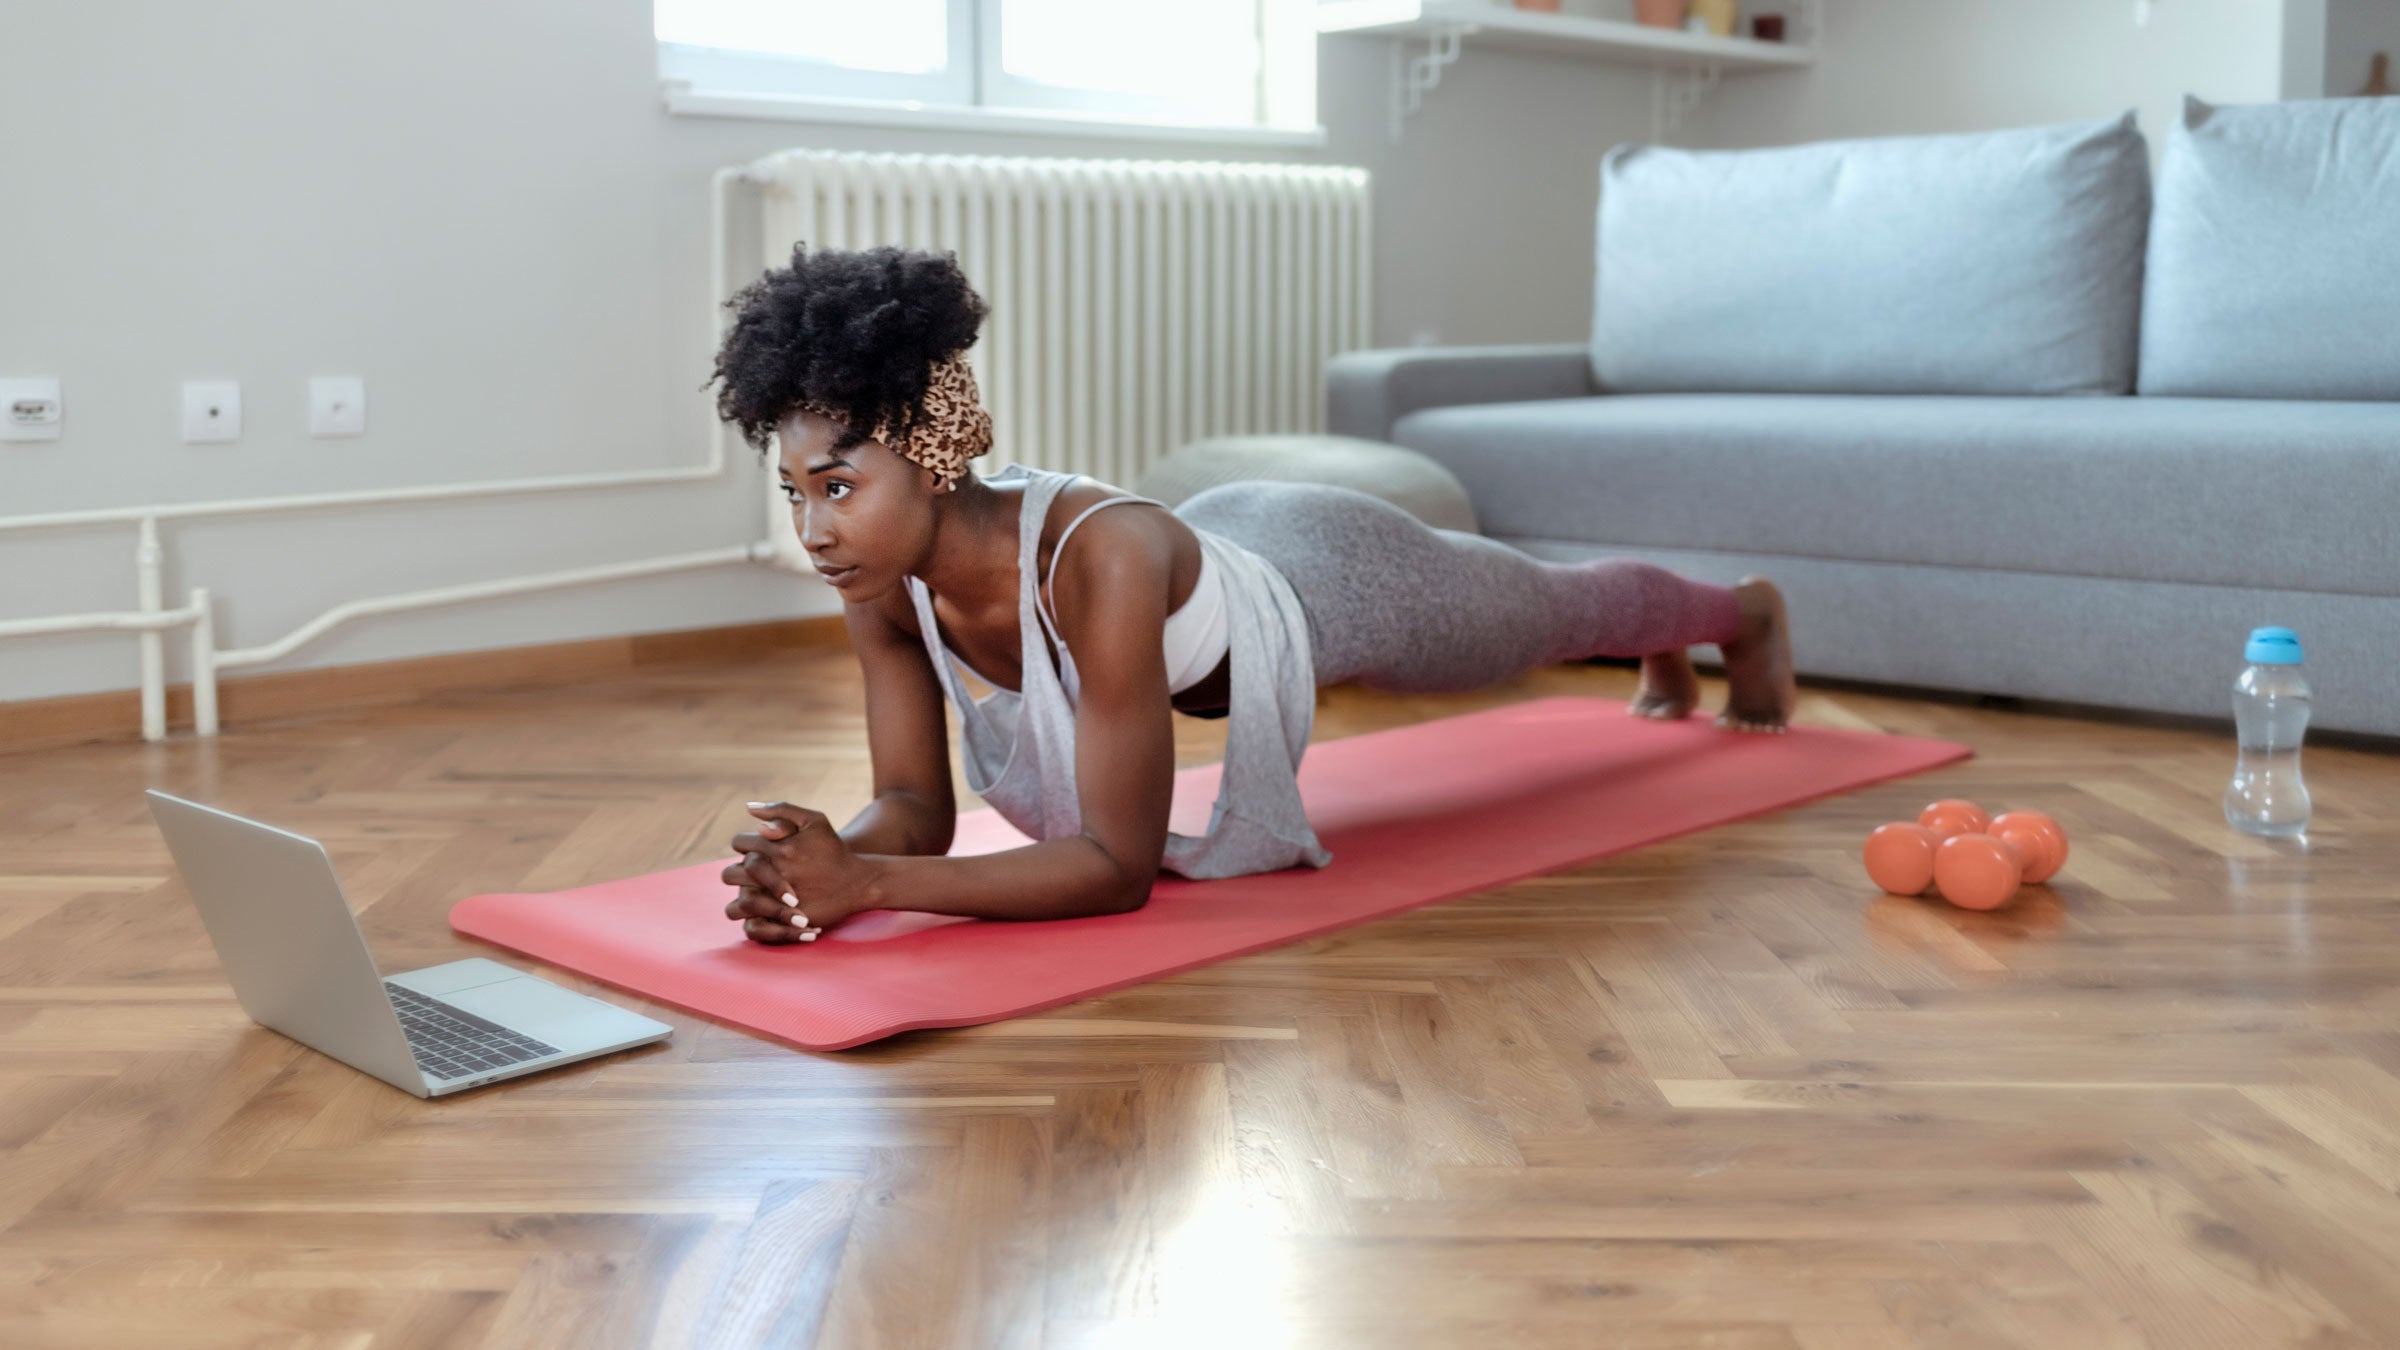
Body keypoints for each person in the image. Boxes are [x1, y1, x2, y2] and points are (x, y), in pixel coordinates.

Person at [711, 245, 1794, 943]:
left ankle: (1735, 616)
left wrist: (868, 888)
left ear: (936, 456)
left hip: (1324, 572)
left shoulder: (1103, 559)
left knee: (1551, 612)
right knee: (1551, 611)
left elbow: (1116, 866)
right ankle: (1687, 633)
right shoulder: (882, 580)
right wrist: (826, 863)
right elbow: (916, 811)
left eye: (841, 487)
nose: (814, 531)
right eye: (796, 491)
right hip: (1222, 554)